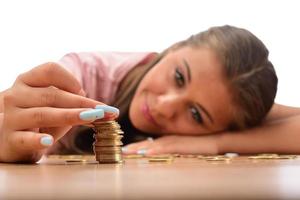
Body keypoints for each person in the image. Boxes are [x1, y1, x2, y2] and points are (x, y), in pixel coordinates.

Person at [0, 25, 300, 163]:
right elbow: (15, 123)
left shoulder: (227, 105)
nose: (165, 105)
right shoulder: (85, 76)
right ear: (171, 48)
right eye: (179, 76)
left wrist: (216, 143)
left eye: (196, 115)